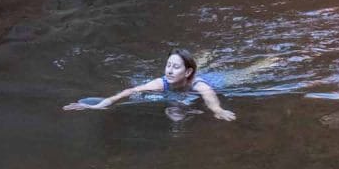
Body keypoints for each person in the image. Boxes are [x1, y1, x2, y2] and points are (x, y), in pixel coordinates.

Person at [64, 51, 235, 121]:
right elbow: (129, 91)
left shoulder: (199, 84)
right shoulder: (161, 83)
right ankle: (202, 56)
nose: (169, 70)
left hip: (216, 79)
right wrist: (101, 104)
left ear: (187, 72)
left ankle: (263, 62)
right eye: (168, 65)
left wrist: (217, 110)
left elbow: (209, 96)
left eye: (175, 67)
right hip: (189, 77)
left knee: (249, 72)